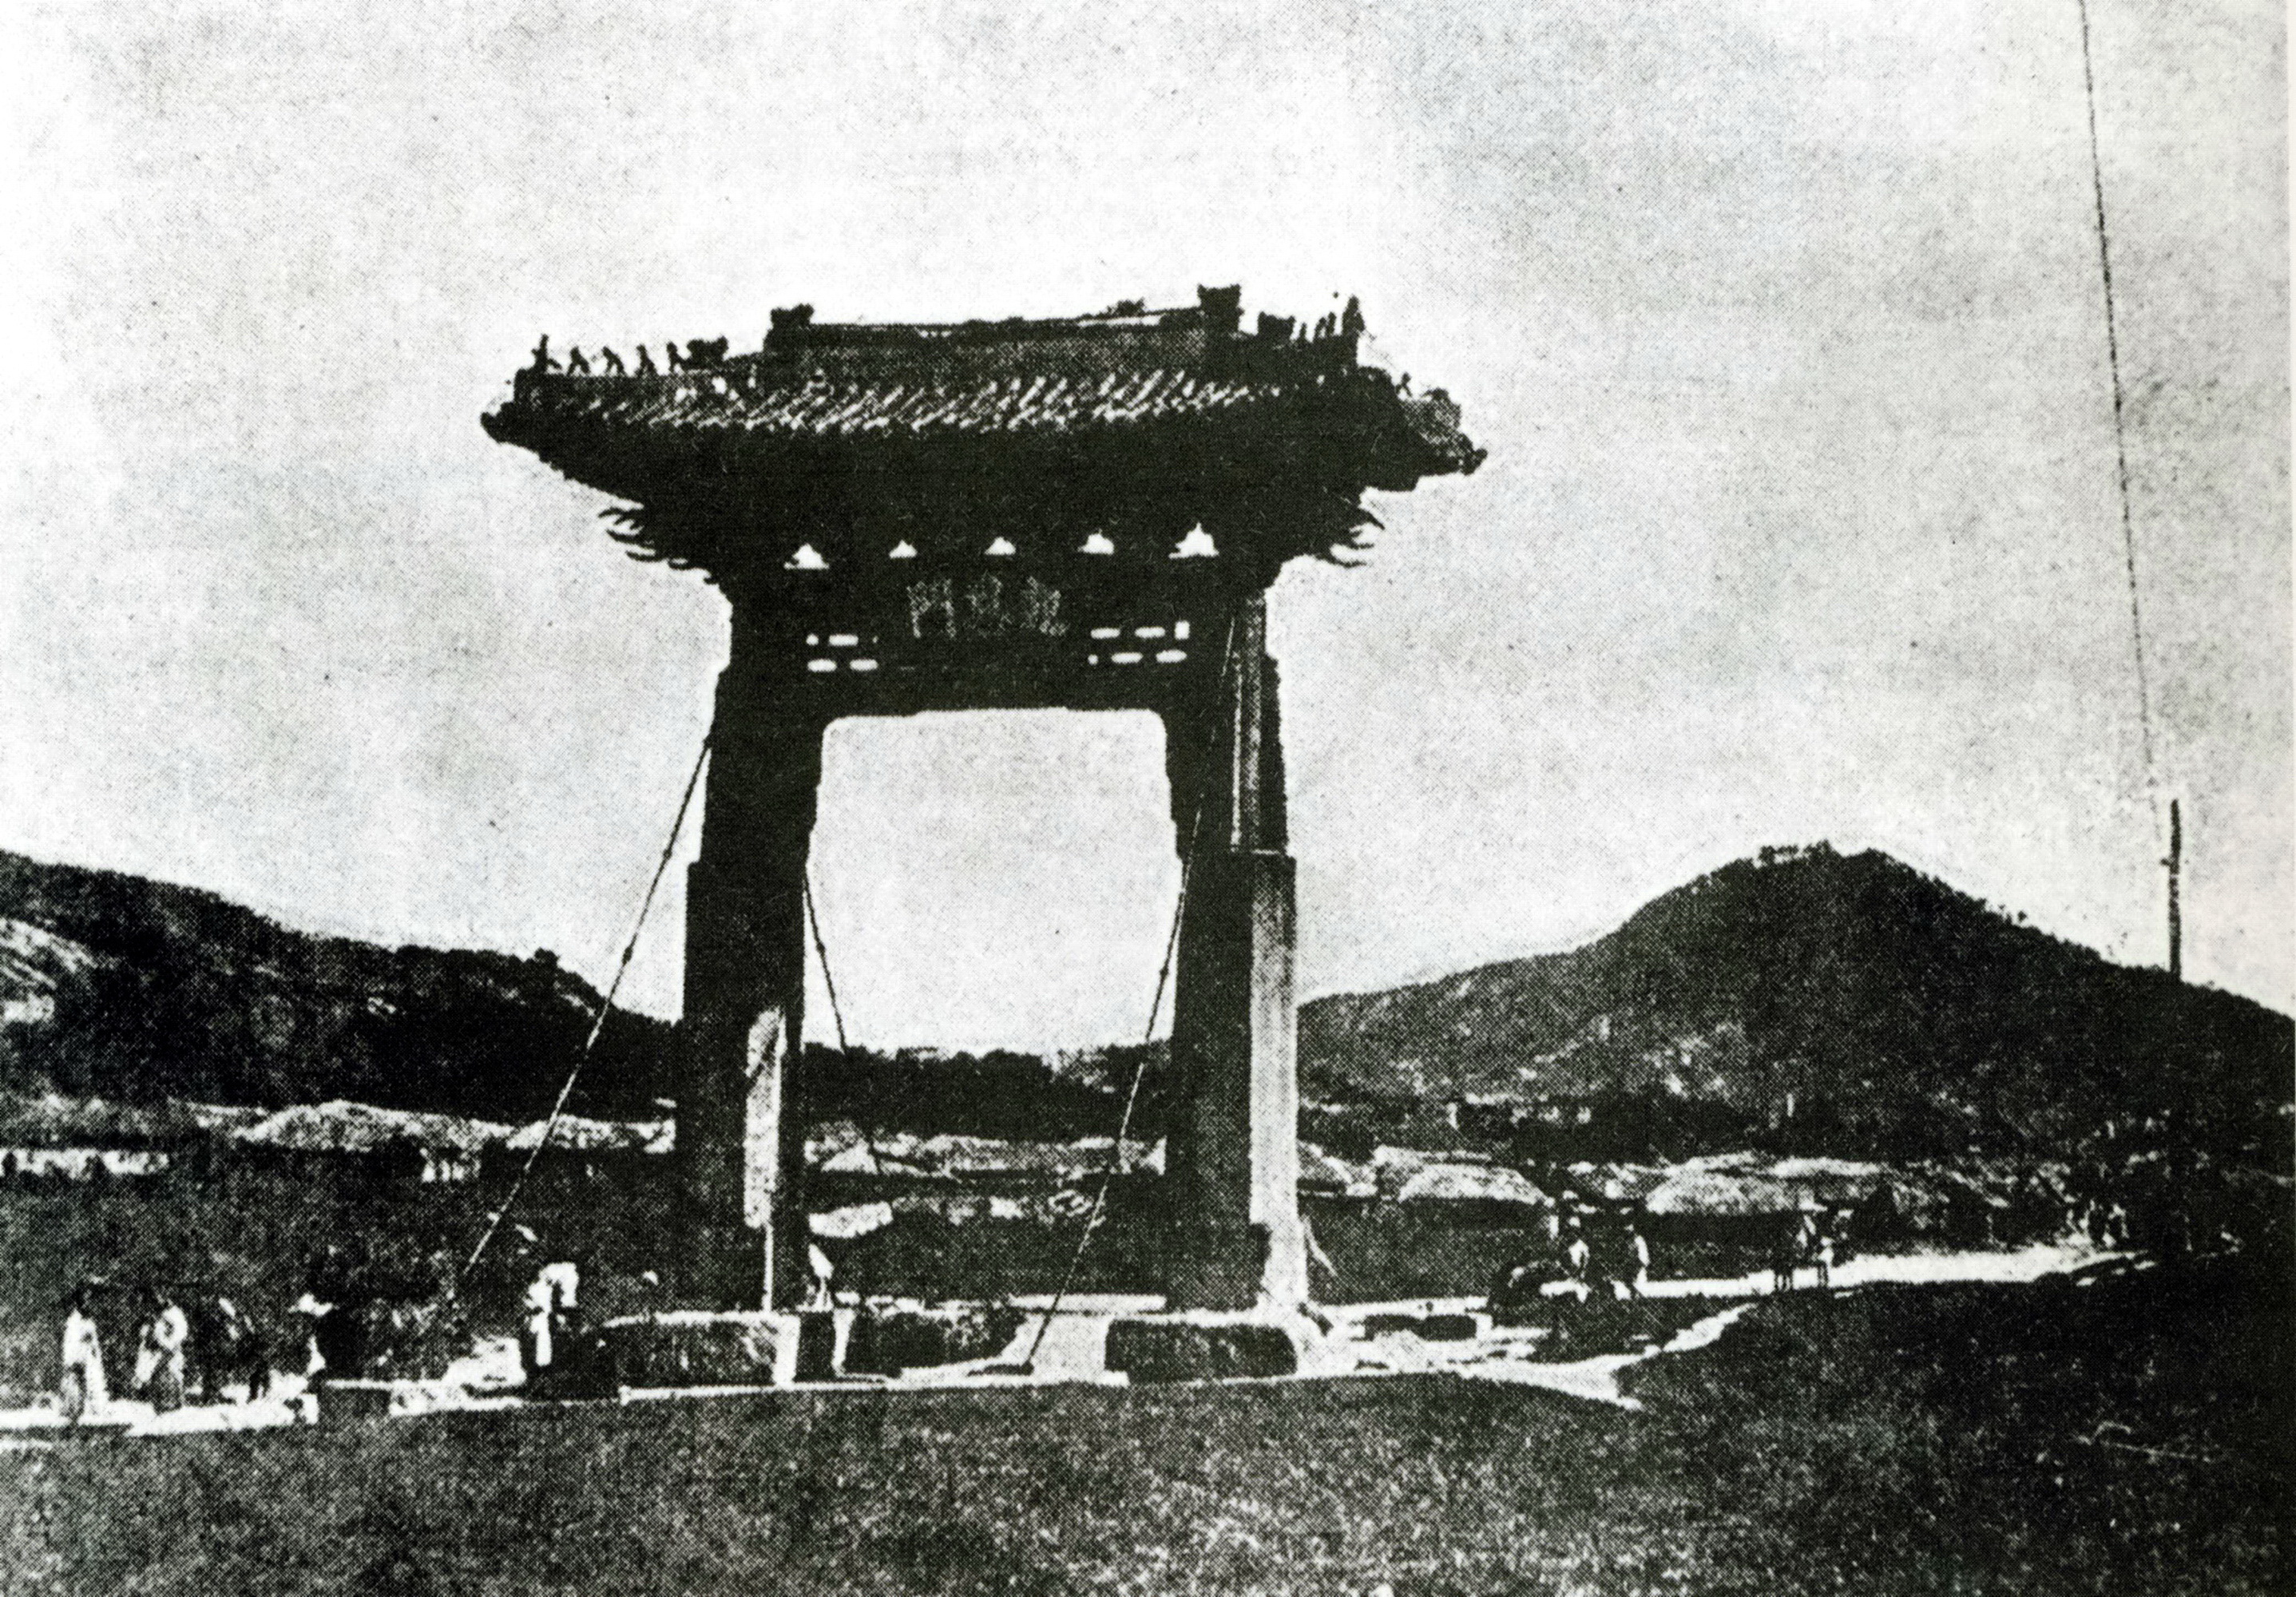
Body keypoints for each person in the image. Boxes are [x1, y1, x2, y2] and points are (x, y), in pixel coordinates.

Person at [135, 1287, 188, 1413]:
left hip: (172, 1351)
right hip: (159, 1351)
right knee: (158, 1376)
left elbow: (181, 1332)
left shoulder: (175, 1313)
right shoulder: (155, 1314)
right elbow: (149, 1332)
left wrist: (170, 1343)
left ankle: (175, 1403)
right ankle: (160, 1404)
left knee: (173, 1374)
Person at [59, 1286, 106, 1423]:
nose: (88, 1303)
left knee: (88, 1388)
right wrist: (72, 1361)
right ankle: (73, 1415)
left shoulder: (88, 1322)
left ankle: (88, 1412)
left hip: (87, 1361)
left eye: (90, 1300)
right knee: (74, 1390)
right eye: (85, 1300)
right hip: (76, 1361)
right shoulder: (74, 1322)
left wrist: (95, 1359)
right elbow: (70, 1344)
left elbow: (94, 1345)